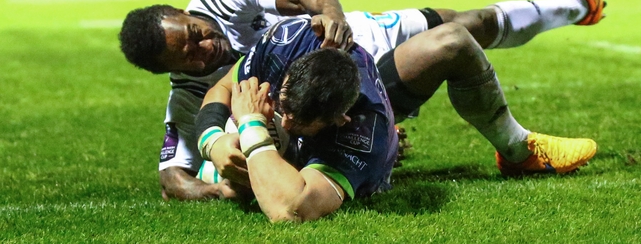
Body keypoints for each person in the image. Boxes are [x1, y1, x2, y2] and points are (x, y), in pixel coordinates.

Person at [118, 0, 617, 201]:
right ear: (168, 70)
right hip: (331, 99)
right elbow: (172, 180)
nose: (203, 48)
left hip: (354, 36)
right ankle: (517, 149)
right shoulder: (191, 93)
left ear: (183, 12)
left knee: (472, 23)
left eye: (195, 33)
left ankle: (580, 4)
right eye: (186, 56)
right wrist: (221, 183)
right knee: (447, 46)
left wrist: (333, 15)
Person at [196, 13, 596, 222]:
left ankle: (518, 149)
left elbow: (293, 210)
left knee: (247, 175)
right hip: (341, 87)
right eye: (284, 108)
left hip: (357, 128)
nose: (285, 122)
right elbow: (222, 88)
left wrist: (253, 129)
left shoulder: (361, 132)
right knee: (450, 38)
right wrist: (213, 141)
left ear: (339, 120)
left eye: (298, 124)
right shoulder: (287, 41)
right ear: (286, 77)